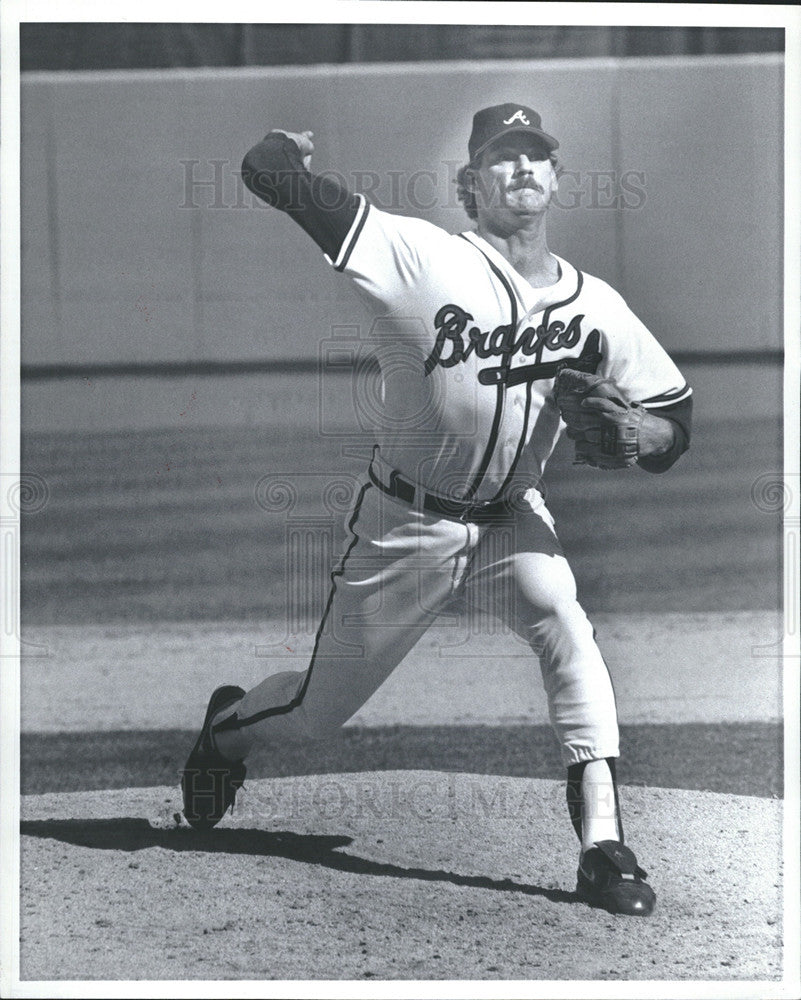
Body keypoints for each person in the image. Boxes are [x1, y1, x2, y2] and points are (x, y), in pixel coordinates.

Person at [181, 103, 692, 917]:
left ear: (555, 179)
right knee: (317, 715)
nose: (521, 168)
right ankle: (225, 734)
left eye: (535, 156)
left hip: (510, 518)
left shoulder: (597, 306)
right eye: (501, 157)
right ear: (468, 186)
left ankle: (604, 848)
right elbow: (267, 174)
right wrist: (285, 148)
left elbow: (676, 425)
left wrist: (642, 428)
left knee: (562, 620)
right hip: (405, 525)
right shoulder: (416, 253)